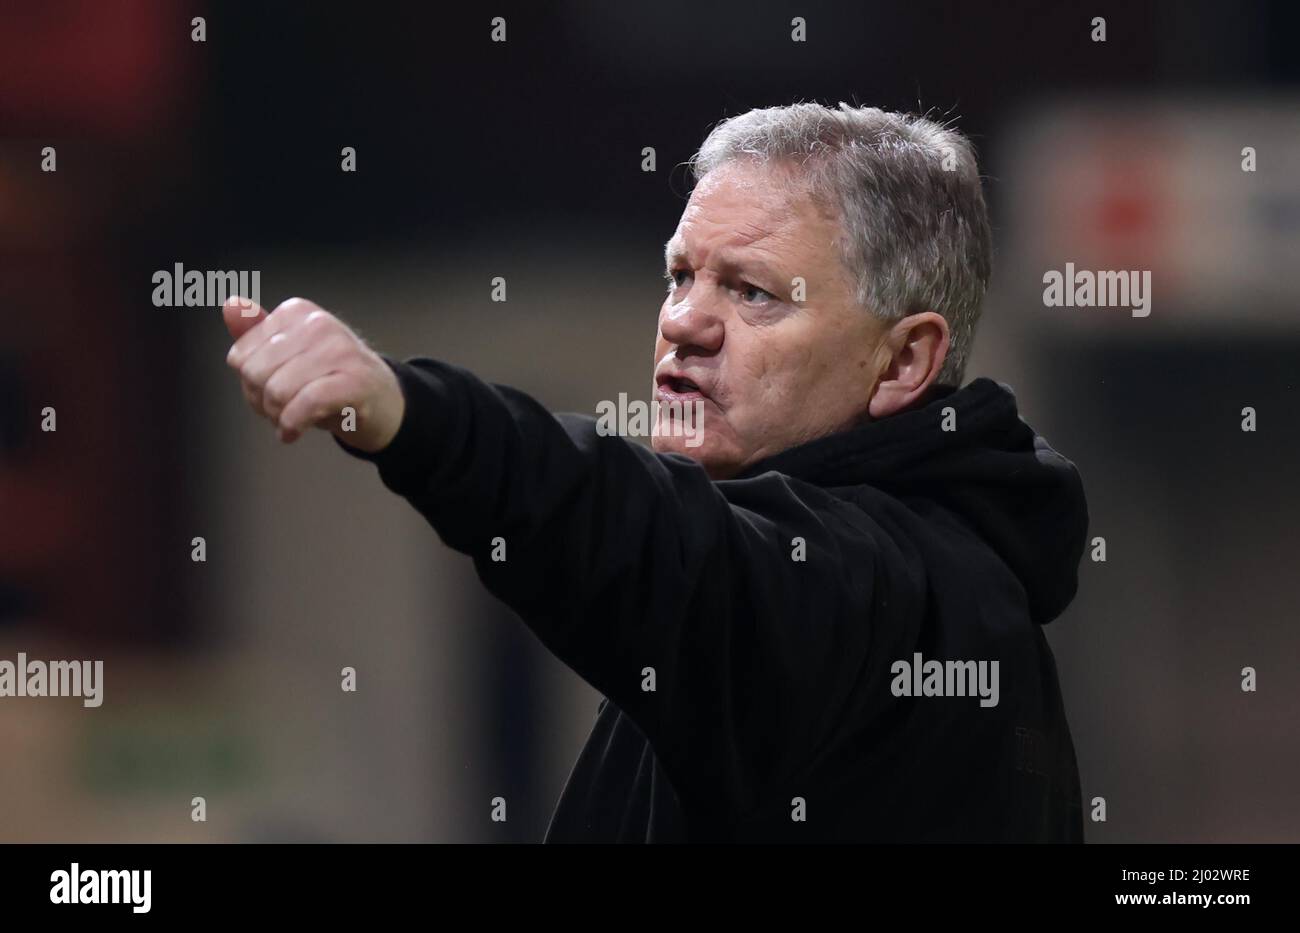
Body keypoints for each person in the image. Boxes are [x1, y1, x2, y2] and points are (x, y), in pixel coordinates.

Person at [221, 102, 1088, 842]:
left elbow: (642, 532)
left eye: (754, 292)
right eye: (680, 276)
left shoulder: (890, 590)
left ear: (903, 362)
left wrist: (410, 413)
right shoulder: (939, 580)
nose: (685, 323)